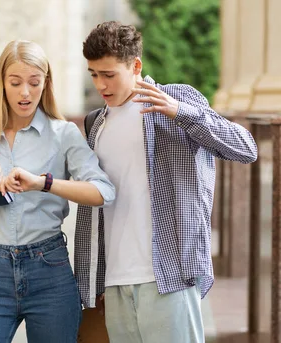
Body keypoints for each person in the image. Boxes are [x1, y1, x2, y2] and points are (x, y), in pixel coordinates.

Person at [74, 21, 258, 343]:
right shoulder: (96, 123)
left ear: (136, 66)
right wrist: (100, 281)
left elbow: (246, 148)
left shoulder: (174, 99)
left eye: (109, 75)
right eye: (94, 74)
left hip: (167, 275)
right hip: (116, 282)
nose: (101, 85)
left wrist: (179, 112)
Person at [0, 40, 116, 343]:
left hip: (49, 269)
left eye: (34, 82)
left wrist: (43, 183)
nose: (25, 92)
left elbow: (103, 191)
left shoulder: (63, 134)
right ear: (1, 83)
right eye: (15, 83)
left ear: (46, 83)